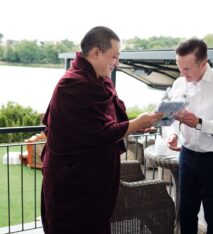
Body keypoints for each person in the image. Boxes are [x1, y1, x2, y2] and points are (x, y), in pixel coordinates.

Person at [40, 26, 163, 234]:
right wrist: (134, 125)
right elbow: (96, 133)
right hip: (72, 184)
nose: (117, 63)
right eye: (114, 57)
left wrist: (138, 124)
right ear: (96, 52)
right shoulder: (72, 84)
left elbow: (111, 122)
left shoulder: (99, 80)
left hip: (95, 184)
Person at [167, 38, 213, 234]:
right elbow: (172, 117)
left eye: (187, 69)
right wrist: (173, 134)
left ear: (204, 63)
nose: (182, 74)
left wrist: (199, 123)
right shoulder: (179, 83)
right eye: (179, 67)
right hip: (187, 156)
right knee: (186, 212)